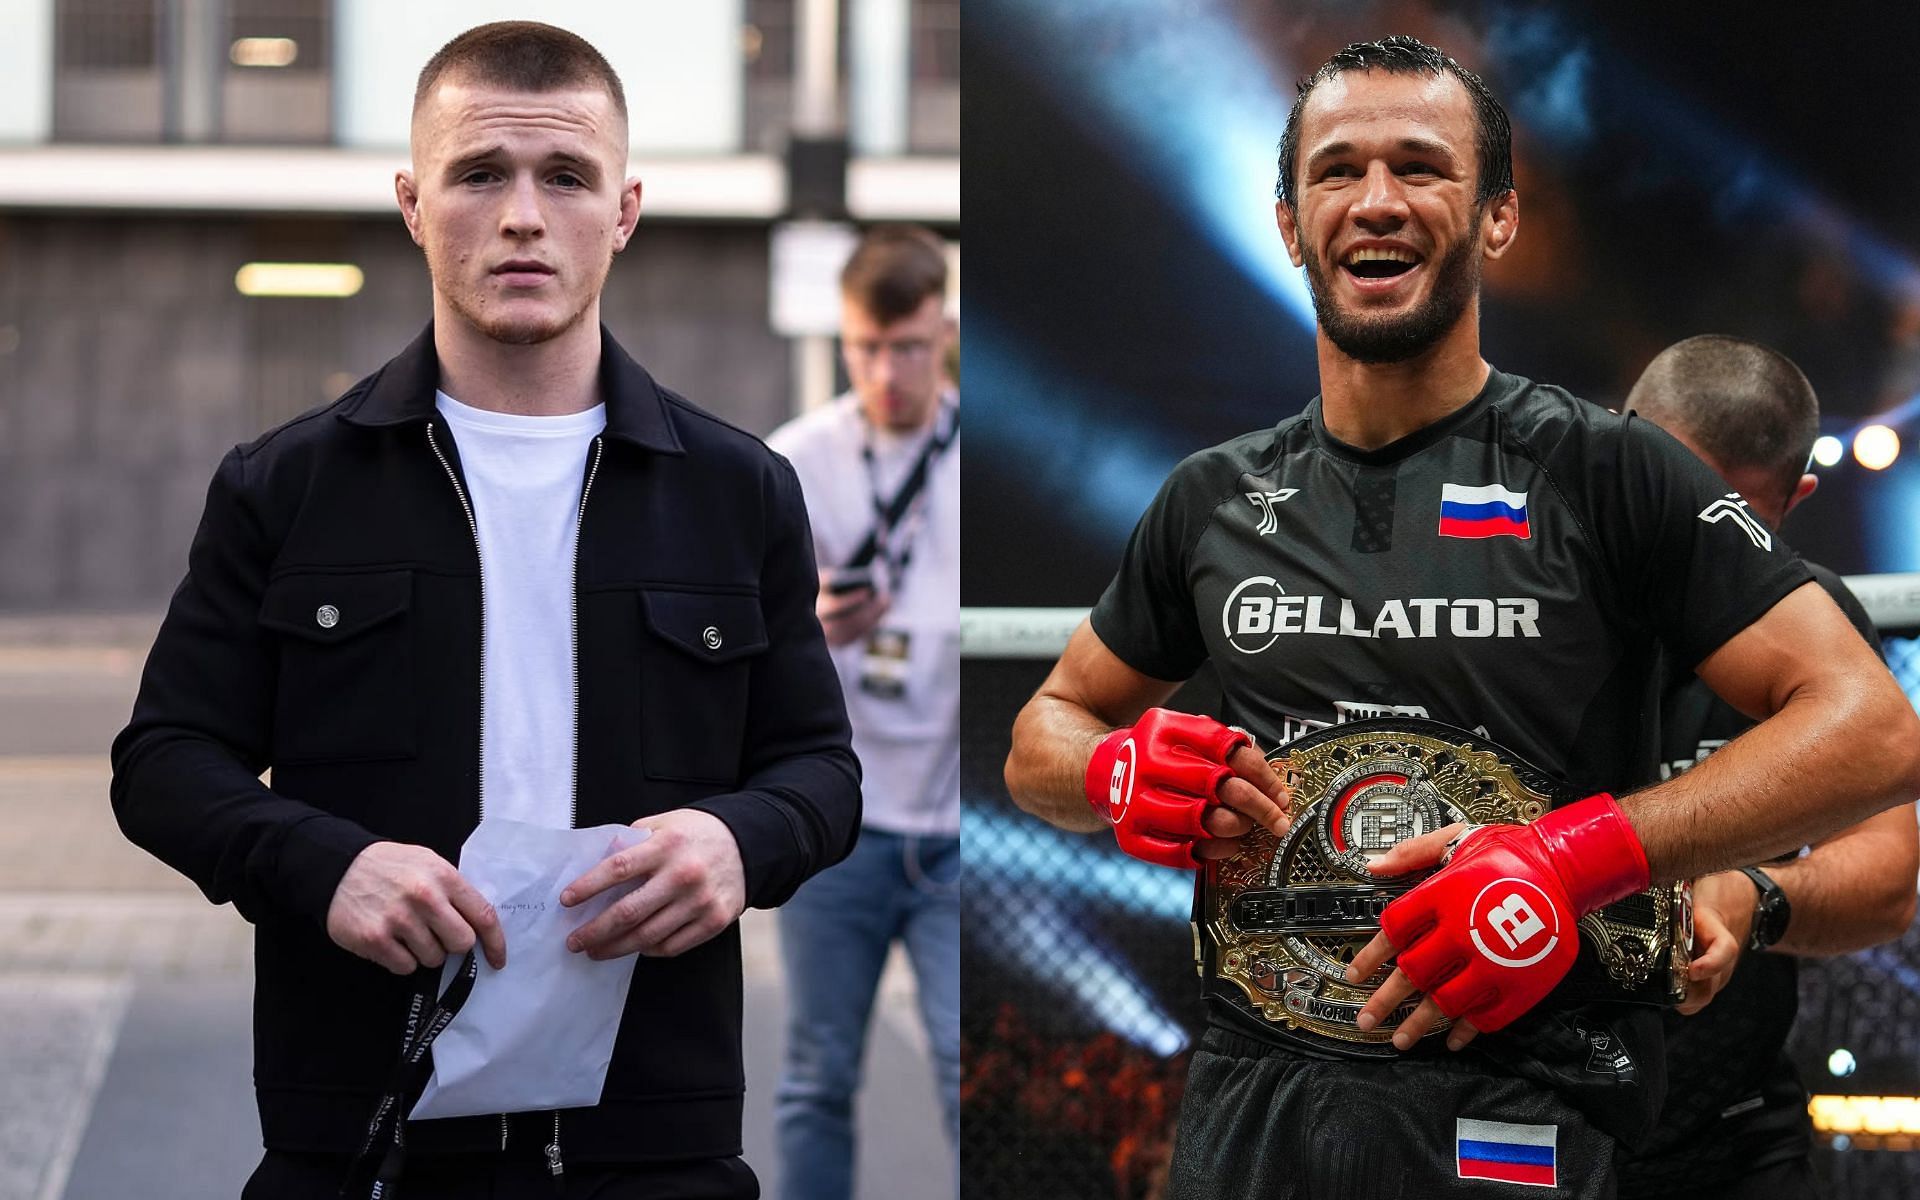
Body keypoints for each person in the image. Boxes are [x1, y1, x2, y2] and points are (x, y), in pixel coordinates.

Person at [1002, 34, 1920, 1200]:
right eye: (1337, 171)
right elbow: (1048, 732)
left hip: (1519, 1103)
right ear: (1290, 223)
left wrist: (1566, 860)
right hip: (1250, 1113)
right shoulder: (1213, 498)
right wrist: (1112, 774)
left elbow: (1874, 732)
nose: (1375, 200)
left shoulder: (1606, 471)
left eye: (1420, 167)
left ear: (1496, 218)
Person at [109, 21, 860, 1199]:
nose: (523, 216)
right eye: (479, 175)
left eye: (566, 177)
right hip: (363, 1138)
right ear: (414, 203)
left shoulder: (739, 489)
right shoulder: (289, 484)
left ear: (624, 211)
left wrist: (736, 842)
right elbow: (163, 762)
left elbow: (818, 770)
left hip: (651, 1140)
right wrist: (322, 863)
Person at [1616, 335, 1918, 1200]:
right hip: (1528, 1121)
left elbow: (1889, 879)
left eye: (1734, 525)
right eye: (1667, 507)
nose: (1696, 552)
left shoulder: (1815, 625)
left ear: (1791, 504)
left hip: (1734, 1126)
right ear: (1613, 453)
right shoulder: (1520, 605)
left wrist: (1758, 897)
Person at [766, 226, 960, 1200]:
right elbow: (738, 651)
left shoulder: (985, 456)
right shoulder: (792, 463)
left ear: (946, 334)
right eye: (866, 348)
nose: (887, 372)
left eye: (910, 348)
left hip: (961, 828)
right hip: (838, 823)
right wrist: (807, 626)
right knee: (814, 1079)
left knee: (974, 1080)